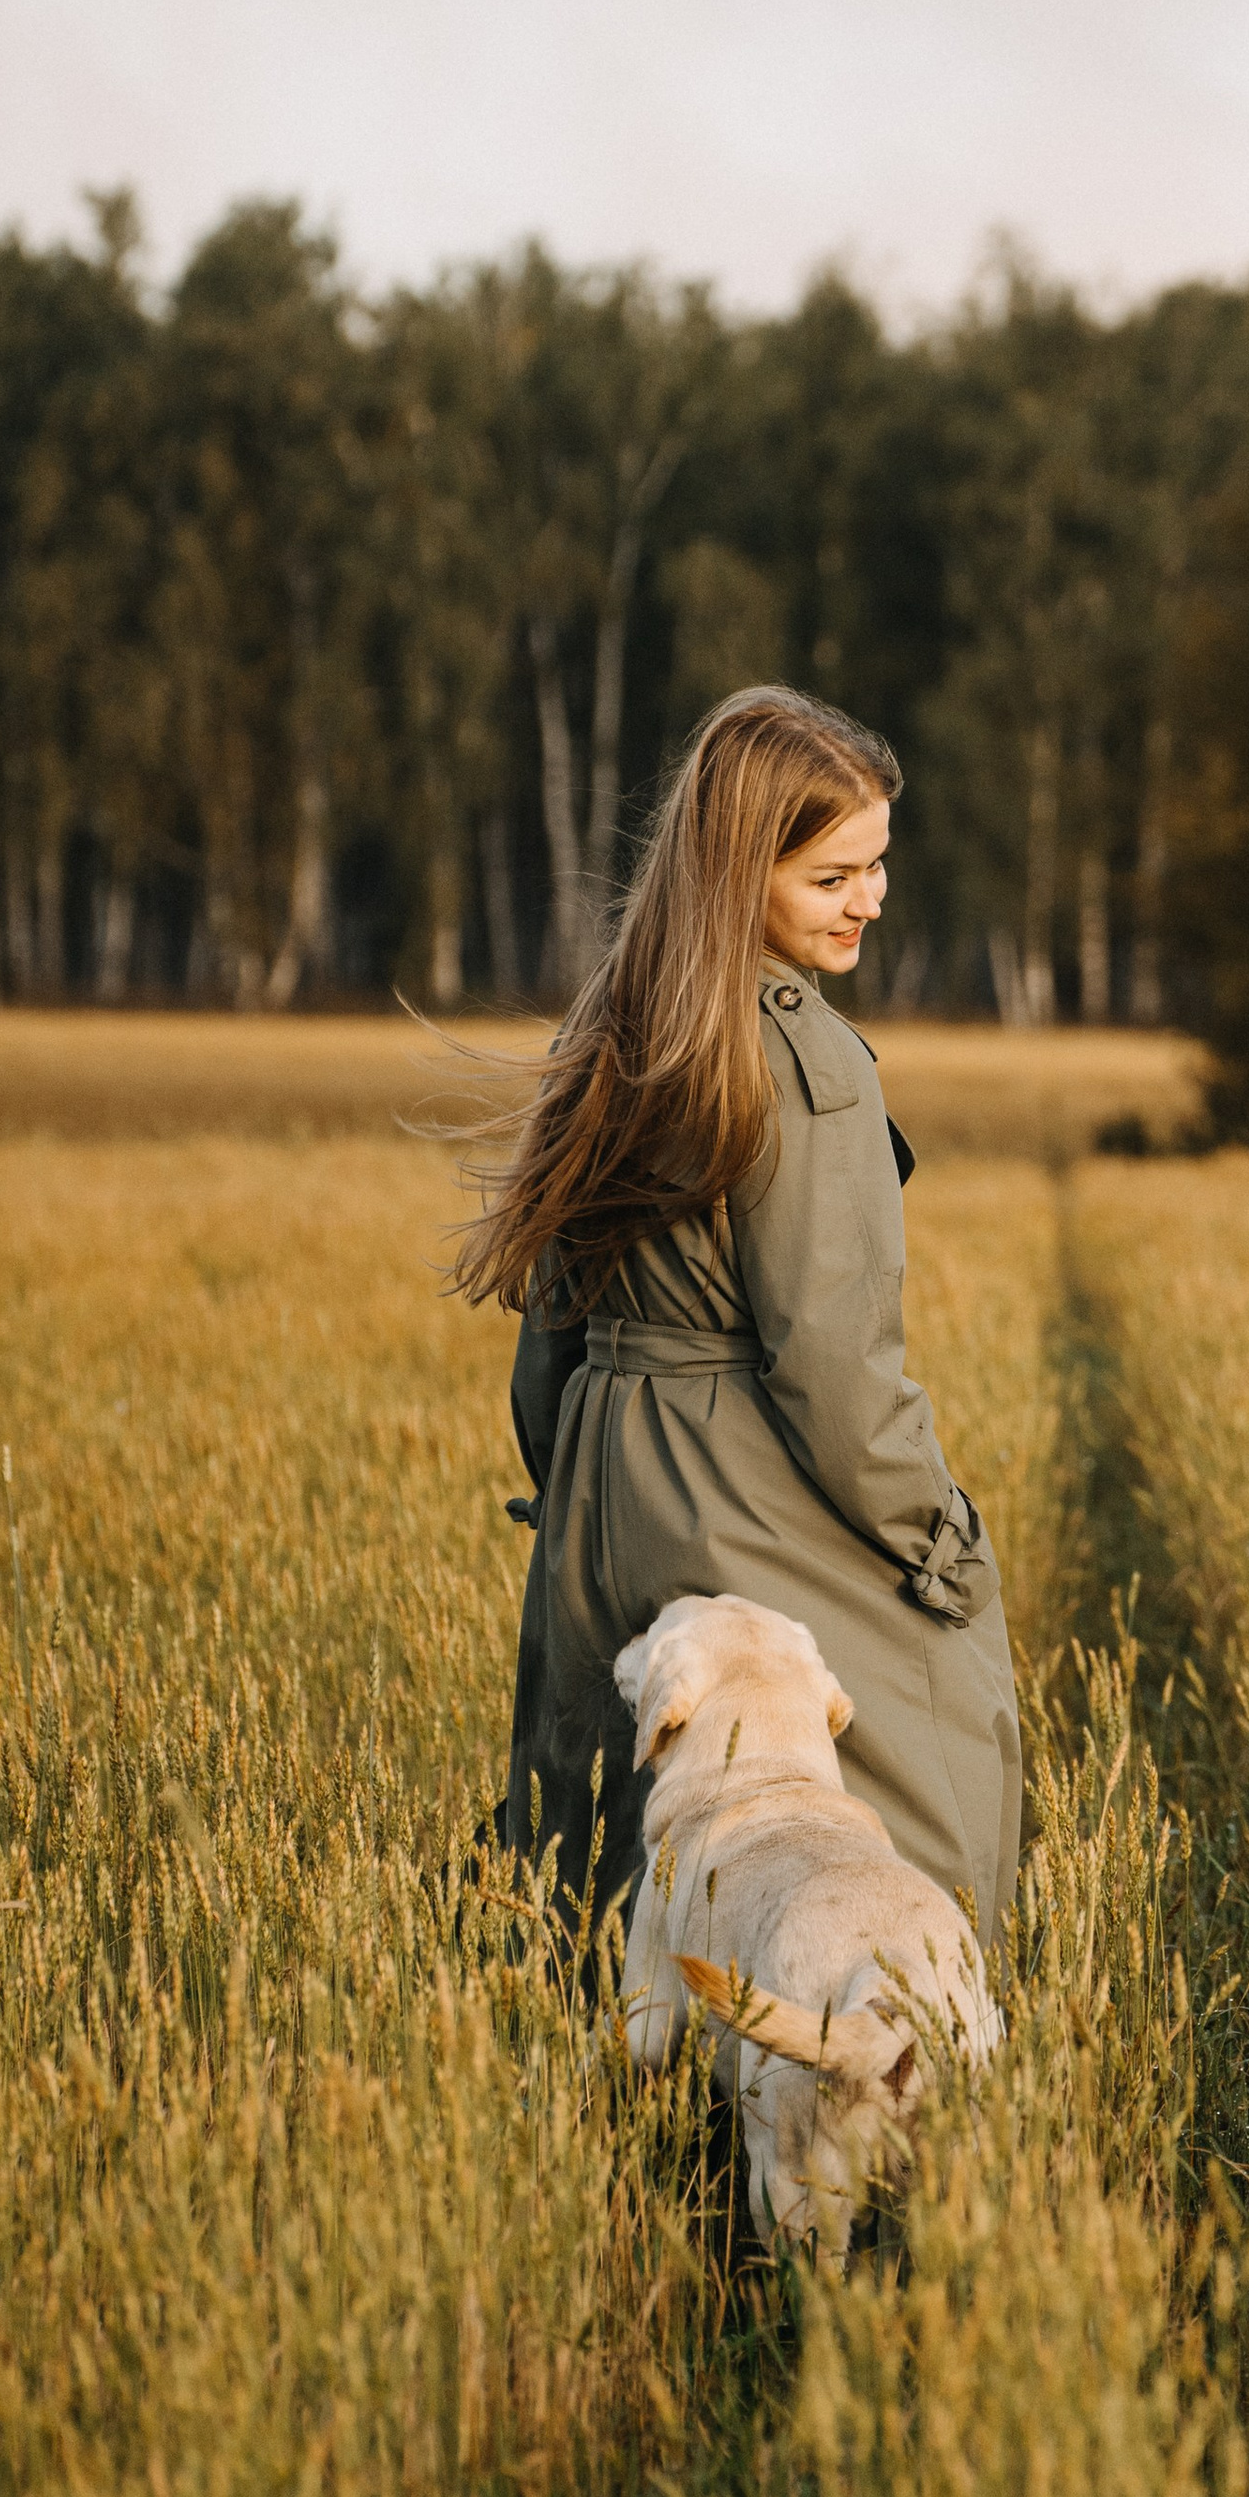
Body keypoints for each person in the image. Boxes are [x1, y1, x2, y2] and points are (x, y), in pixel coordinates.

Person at [455, 685, 1020, 1963]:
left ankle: (606, 2049)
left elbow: (548, 1334)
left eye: (877, 865)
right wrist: (939, 1544)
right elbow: (834, 1369)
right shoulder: (810, 1065)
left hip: (603, 1478)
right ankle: (895, 2029)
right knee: (941, 1708)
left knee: (604, 1815)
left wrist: (576, 1494)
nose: (870, 900)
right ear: (736, 871)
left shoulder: (615, 1025)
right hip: (739, 1475)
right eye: (832, 877)